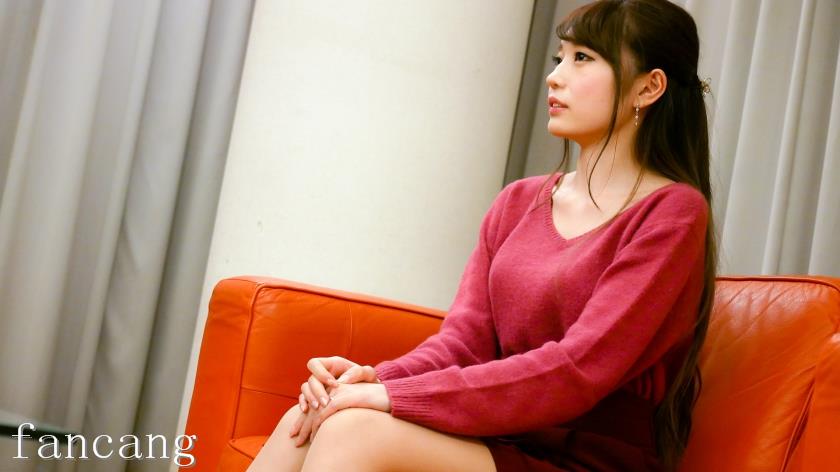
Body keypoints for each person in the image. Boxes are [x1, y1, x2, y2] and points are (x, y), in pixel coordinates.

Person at [248, 0, 717, 470]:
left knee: (351, 430)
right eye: (559, 58)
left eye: (583, 59)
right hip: (496, 436)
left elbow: (579, 369)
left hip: (586, 457)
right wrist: (369, 381)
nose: (554, 77)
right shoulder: (518, 201)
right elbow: (463, 344)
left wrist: (392, 397)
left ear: (648, 87)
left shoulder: (671, 213)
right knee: (309, 416)